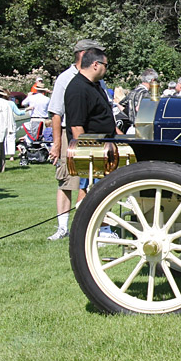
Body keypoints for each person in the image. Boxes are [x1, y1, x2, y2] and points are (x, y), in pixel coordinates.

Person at [47, 38, 102, 241]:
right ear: (83, 54)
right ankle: (63, 227)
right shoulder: (65, 78)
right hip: (69, 134)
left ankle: (93, 227)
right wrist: (57, 143)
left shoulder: (97, 77)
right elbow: (56, 113)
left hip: (92, 135)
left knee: (93, 181)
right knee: (67, 181)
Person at [122, 68, 157, 133]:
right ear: (152, 80)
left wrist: (130, 112)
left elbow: (120, 104)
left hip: (131, 128)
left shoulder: (132, 92)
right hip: (142, 130)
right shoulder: (145, 94)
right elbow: (139, 108)